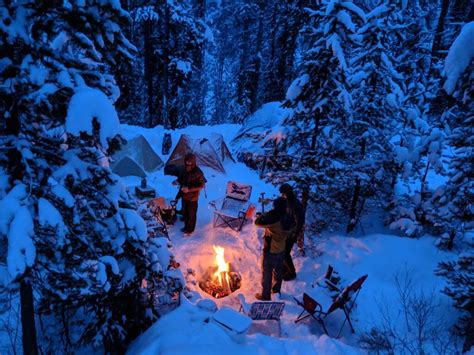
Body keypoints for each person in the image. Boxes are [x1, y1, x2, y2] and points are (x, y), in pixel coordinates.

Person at [254, 197, 292, 301]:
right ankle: (276, 292)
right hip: (281, 249)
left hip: (270, 251)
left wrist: (265, 214)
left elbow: (257, 222)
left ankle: (265, 296)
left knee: (267, 274)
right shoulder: (288, 217)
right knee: (278, 273)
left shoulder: (273, 218)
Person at [172, 153, 206, 236]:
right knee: (185, 212)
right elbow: (181, 179)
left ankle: (190, 230)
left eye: (190, 162)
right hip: (184, 195)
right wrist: (177, 181)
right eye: (186, 161)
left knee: (191, 214)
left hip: (193, 197)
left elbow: (202, 185)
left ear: (193, 162)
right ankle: (186, 227)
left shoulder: (198, 172)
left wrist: (189, 189)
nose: (188, 163)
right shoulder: (184, 169)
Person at [279, 183, 306, 281]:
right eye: (281, 194)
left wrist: (294, 235)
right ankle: (285, 269)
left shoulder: (295, 204)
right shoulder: (287, 202)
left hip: (292, 232)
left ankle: (292, 273)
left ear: (288, 193)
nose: (282, 196)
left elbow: (299, 222)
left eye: (283, 194)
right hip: (287, 231)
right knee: (283, 251)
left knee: (285, 253)